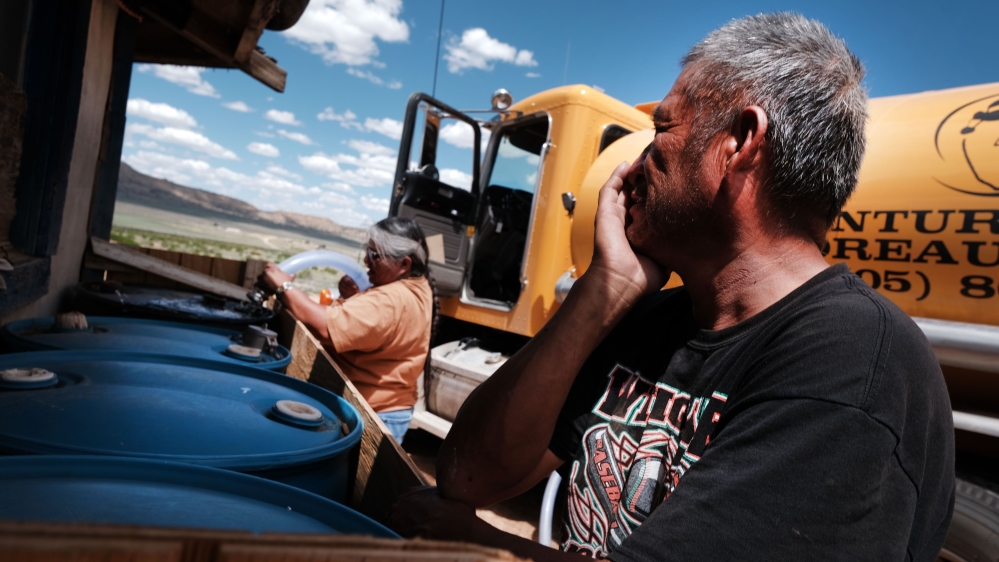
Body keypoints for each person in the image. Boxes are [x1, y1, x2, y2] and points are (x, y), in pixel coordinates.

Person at [387, 13, 955, 561]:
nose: (631, 168)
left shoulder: (853, 362)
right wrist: (604, 290)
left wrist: (476, 546)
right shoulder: (652, 321)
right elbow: (467, 477)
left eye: (661, 128)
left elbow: (458, 510)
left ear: (740, 142)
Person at [259, 217, 438, 444]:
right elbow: (387, 328)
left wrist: (284, 286)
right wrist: (355, 299)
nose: (366, 260)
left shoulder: (390, 299)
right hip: (390, 410)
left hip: (373, 415)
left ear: (404, 264)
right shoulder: (416, 287)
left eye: (375, 255)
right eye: (367, 251)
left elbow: (325, 327)